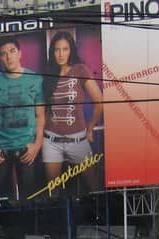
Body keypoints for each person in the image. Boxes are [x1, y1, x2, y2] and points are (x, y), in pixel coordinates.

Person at [0, 39, 45, 201]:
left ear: (20, 53)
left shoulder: (35, 79)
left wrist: (37, 145)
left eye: (12, 51)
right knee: (0, 202)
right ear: (0, 58)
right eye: (3, 54)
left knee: (30, 200)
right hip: (1, 151)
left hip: (27, 149)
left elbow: (40, 115)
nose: (8, 57)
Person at [43, 31, 104, 193]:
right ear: (52, 52)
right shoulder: (48, 73)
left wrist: (90, 128)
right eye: (57, 50)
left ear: (71, 50)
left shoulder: (80, 70)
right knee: (53, 192)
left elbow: (99, 101)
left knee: (95, 188)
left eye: (65, 49)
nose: (61, 54)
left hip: (77, 140)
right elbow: (44, 109)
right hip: (51, 142)